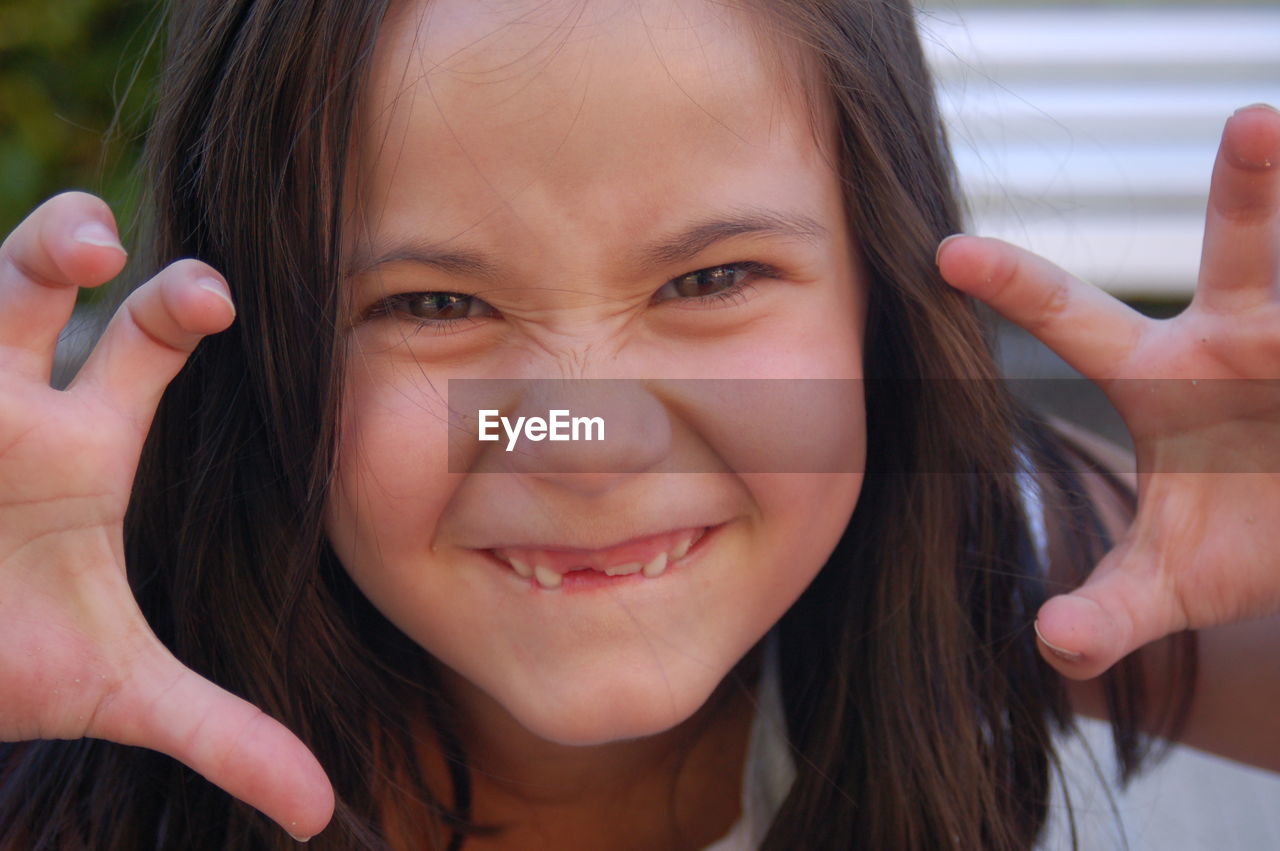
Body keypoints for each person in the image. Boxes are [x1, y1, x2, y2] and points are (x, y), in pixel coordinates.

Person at [1, 0, 1277, 847]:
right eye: (433, 302)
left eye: (708, 281)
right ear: (256, 353)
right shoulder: (64, 680)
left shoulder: (1069, 561)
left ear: (882, 302)